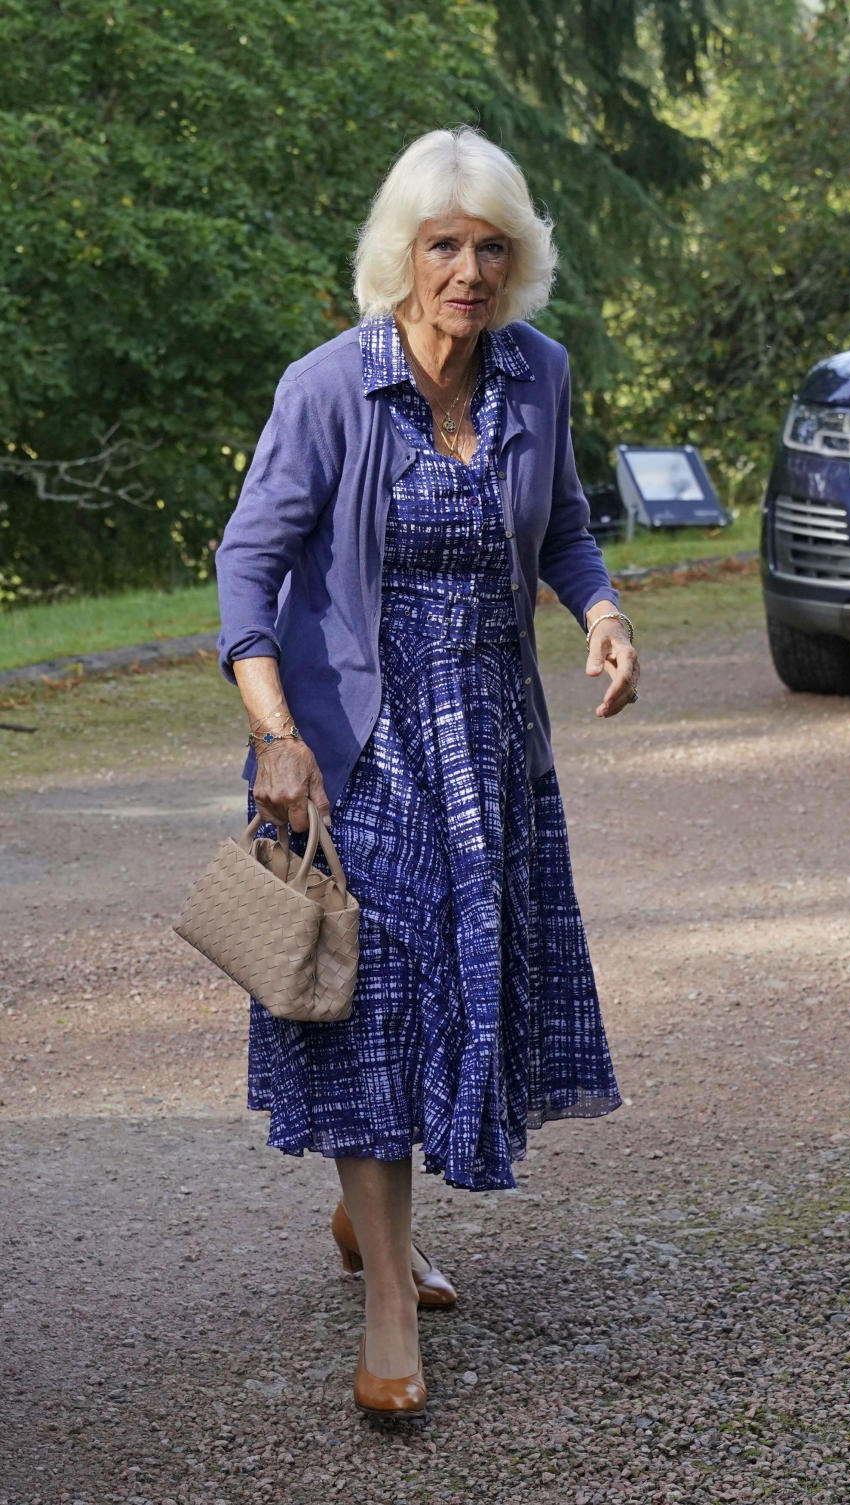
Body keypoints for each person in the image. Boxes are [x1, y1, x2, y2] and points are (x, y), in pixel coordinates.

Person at [215, 126, 639, 1419]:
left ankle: (368, 1218)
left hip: (493, 746)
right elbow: (246, 568)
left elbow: (563, 524)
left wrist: (603, 611)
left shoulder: (537, 376)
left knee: (454, 996)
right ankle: (392, 1296)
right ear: (402, 255)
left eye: (491, 247)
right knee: (373, 1008)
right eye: (444, 245)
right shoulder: (330, 386)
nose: (468, 269)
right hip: (352, 748)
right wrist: (275, 736)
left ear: (519, 263)